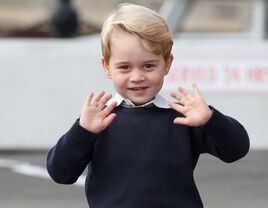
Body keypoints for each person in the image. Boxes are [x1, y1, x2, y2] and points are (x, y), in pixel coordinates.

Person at [46, 3, 250, 208]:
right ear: (107, 67)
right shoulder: (97, 122)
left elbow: (236, 150)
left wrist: (210, 120)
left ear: (167, 64)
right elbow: (61, 173)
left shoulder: (182, 117)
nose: (137, 77)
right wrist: (82, 131)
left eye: (149, 65)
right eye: (125, 67)